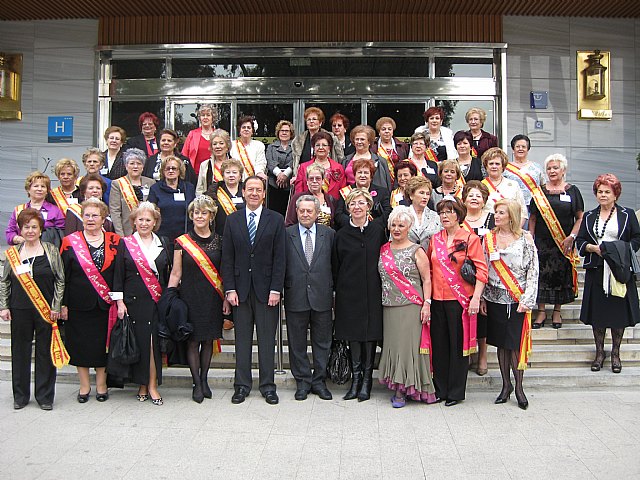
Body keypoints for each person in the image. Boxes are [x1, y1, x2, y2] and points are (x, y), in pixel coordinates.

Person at [221, 176, 285, 405]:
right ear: (243, 192)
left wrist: (276, 289)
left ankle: (268, 386)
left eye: (259, 189)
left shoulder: (276, 220)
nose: (254, 193)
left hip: (267, 290)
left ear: (264, 193)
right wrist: (229, 289)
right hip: (240, 290)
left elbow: (280, 258)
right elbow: (227, 257)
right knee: (242, 341)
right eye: (250, 189)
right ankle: (242, 386)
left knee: (267, 341)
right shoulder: (232, 220)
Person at [0, 208, 65, 410]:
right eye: (26, 227)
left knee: (45, 353)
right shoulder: (13, 254)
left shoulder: (51, 250)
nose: (30, 231)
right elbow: (4, 282)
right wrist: (4, 306)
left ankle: (45, 396)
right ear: (20, 229)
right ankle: (20, 396)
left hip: (45, 309)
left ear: (41, 229)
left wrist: (56, 306)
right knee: (20, 351)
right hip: (20, 309)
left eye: (34, 227)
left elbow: (60, 280)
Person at [576, 174, 640, 374]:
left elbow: (637, 238)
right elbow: (580, 241)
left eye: (607, 192)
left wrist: (620, 250)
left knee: (618, 314)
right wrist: (591, 248)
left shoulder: (627, 214)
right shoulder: (589, 216)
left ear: (615, 194)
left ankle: (615, 353)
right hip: (597, 269)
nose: (602, 195)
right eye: (600, 192)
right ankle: (599, 353)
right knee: (598, 315)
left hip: (619, 270)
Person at [168, 196, 230, 402]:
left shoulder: (221, 241)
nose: (199, 216)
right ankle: (196, 382)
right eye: (196, 213)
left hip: (213, 296)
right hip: (189, 296)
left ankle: (204, 379)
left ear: (211, 216)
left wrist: (226, 298)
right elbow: (176, 273)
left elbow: (224, 271)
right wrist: (169, 296)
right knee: (193, 341)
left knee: (208, 339)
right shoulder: (181, 242)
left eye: (204, 212)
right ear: (191, 216)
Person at [428, 196, 487, 406]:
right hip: (437, 298)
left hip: (460, 300)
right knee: (440, 345)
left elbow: (481, 270)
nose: (444, 216)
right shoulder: (435, 239)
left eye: (449, 212)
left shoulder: (470, 239)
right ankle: (440, 389)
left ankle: (455, 392)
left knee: (457, 346)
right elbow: (429, 268)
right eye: (442, 212)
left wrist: (476, 298)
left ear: (458, 215)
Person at [60, 199, 120, 403]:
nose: (91, 219)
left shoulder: (114, 240)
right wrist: (63, 303)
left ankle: (101, 385)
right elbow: (63, 276)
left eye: (95, 215)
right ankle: (84, 386)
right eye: (87, 215)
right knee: (81, 345)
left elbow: (118, 274)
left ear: (103, 219)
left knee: (102, 345)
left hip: (105, 304)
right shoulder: (70, 241)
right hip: (78, 303)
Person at [378, 206, 438, 407]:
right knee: (394, 348)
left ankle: (405, 390)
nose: (396, 229)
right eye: (393, 225)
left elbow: (427, 279)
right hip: (389, 306)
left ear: (409, 227)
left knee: (408, 350)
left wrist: (427, 305)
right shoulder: (384, 249)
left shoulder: (417, 250)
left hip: (411, 306)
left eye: (401, 225)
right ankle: (398, 385)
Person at [482, 199, 538, 410]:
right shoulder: (488, 238)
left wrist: (528, 299)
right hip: (494, 298)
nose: (497, 216)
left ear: (512, 215)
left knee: (514, 344)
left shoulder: (525, 238)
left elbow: (533, 270)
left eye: (501, 213)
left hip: (517, 299)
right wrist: (481, 298)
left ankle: (519, 387)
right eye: (496, 212)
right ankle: (505, 385)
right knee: (501, 344)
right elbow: (484, 269)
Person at [112, 202, 171, 405]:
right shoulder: (125, 243)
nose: (144, 223)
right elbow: (117, 276)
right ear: (134, 222)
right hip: (132, 302)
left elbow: (167, 274)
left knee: (153, 345)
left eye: (148, 220)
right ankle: (142, 384)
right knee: (140, 344)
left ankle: (152, 385)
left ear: (155, 222)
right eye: (140, 219)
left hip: (156, 301)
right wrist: (119, 302)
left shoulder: (163, 242)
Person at [332, 188, 387, 402]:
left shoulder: (377, 230)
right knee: (353, 336)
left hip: (373, 291)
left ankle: (366, 382)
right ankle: (355, 381)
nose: (357, 207)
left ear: (368, 207)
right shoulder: (342, 234)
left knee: (370, 336)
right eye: (353, 204)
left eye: (361, 203)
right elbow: (336, 264)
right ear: (348, 208)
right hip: (349, 293)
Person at [284, 195, 335, 401]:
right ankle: (303, 382)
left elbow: (335, 264)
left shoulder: (329, 234)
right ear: (296, 212)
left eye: (309, 211)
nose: (305, 214)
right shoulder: (286, 234)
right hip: (295, 294)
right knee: (297, 343)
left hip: (322, 295)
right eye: (302, 211)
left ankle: (319, 381)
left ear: (317, 213)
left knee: (322, 342)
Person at [529, 154, 584, 329]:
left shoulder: (572, 191)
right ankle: (542, 311)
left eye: (555, 168)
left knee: (560, 275)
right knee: (542, 276)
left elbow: (580, 218)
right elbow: (533, 218)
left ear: (563, 170)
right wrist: (530, 238)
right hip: (542, 242)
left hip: (564, 242)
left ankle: (557, 312)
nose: (552, 171)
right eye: (549, 168)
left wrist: (572, 237)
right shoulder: (539, 191)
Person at [461, 180, 495, 376]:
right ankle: (467, 353)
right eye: (471, 195)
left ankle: (482, 355)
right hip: (462, 275)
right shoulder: (459, 220)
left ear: (484, 200)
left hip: (487, 273)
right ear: (464, 199)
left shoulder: (492, 219)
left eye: (478, 196)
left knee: (483, 317)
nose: (474, 199)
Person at [6, 171, 65, 247]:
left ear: (47, 191)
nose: (39, 189)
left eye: (43, 186)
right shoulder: (19, 210)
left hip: (47, 252)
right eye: (36, 186)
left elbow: (61, 234)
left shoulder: (55, 210)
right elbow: (10, 232)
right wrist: (18, 239)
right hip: (23, 250)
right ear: (28, 189)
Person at [147, 156, 196, 242]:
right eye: (167, 168)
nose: (170, 171)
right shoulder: (155, 188)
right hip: (162, 236)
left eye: (174, 168)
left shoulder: (189, 188)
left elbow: (193, 210)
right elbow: (151, 212)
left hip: (185, 236)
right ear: (163, 171)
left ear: (179, 171)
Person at [109, 148, 156, 237]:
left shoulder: (151, 183)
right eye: (132, 163)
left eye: (139, 163)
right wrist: (120, 235)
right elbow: (115, 211)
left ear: (143, 166)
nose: (135, 166)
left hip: (147, 231)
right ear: (126, 166)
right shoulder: (117, 184)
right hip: (127, 232)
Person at [334, 158, 392, 230]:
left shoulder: (382, 192)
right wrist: (353, 224)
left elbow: (387, 213)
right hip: (350, 231)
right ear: (354, 175)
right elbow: (338, 214)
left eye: (366, 173)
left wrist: (371, 225)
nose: (362, 175)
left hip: (376, 231)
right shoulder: (345, 192)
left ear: (371, 176)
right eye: (359, 172)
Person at [293, 131, 346, 201]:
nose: (321, 147)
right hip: (309, 207)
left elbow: (343, 190)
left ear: (329, 148)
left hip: (334, 208)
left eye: (324, 145)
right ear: (313, 148)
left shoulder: (338, 167)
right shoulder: (303, 167)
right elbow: (299, 192)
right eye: (317, 145)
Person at [292, 107, 344, 173]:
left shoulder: (331, 137)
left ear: (320, 123)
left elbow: (340, 157)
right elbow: (295, 162)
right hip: (304, 174)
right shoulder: (298, 140)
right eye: (308, 119)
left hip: (327, 174)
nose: (311, 121)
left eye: (314, 119)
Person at [481, 147, 527, 223]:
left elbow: (522, 212)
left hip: (509, 229)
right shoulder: (480, 186)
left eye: (497, 164)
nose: (494, 166)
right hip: (487, 229)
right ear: (486, 166)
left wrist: (515, 231)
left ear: (503, 166)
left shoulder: (513, 185)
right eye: (491, 163)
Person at [342, 124, 392, 192]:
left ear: (369, 141)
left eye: (362, 139)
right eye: (357, 139)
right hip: (351, 198)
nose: (359, 142)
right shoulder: (345, 160)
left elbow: (387, 185)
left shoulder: (381, 161)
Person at [503, 134, 544, 215]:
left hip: (534, 208)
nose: (520, 149)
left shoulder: (536, 167)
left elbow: (543, 186)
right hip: (513, 208)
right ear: (513, 149)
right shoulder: (505, 168)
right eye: (518, 146)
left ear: (528, 149)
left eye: (523, 147)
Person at [205, 158, 245, 236]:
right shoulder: (214, 191)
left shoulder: (246, 190)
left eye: (234, 172)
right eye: (228, 172)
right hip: (221, 233)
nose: (231, 175)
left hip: (242, 233)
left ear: (240, 176)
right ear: (223, 175)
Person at [266, 120, 294, 216]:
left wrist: (286, 174)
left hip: (290, 184)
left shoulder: (296, 147)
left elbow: (295, 161)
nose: (284, 133)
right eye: (282, 130)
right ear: (278, 132)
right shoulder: (271, 147)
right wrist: (279, 174)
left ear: (291, 133)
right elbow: (269, 161)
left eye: (287, 131)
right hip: (274, 184)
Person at [405, 176, 441, 250]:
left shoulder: (436, 217)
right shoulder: (401, 215)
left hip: (429, 259)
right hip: (405, 259)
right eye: (421, 193)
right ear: (411, 195)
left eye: (427, 194)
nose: (425, 197)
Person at [181, 104, 218, 176]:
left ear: (213, 118)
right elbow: (184, 155)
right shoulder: (192, 134)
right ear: (199, 118)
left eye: (208, 115)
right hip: (194, 174)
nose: (205, 117)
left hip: (214, 174)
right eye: (203, 115)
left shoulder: (218, 134)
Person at [196, 128, 234, 196]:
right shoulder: (204, 165)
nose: (218, 146)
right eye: (214, 144)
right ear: (211, 147)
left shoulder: (235, 165)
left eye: (221, 143)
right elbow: (199, 189)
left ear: (227, 146)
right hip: (210, 203)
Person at [372, 117, 410, 184]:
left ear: (392, 131)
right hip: (379, 180)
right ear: (379, 132)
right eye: (383, 129)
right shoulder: (373, 146)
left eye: (389, 129)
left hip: (398, 180)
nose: (387, 131)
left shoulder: (402, 146)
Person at [230, 115, 267, 181]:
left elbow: (260, 163)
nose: (246, 129)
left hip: (253, 181)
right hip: (235, 181)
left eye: (249, 127)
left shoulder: (259, 145)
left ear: (252, 131)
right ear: (239, 130)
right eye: (243, 127)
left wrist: (259, 173)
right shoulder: (232, 145)